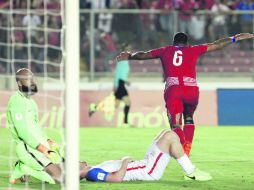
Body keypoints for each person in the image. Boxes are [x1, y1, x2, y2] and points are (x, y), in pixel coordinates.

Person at [116, 32, 254, 157]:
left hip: (174, 90)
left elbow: (142, 55)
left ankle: (182, 156)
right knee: (189, 118)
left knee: (176, 126)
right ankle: (186, 152)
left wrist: (129, 56)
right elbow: (216, 45)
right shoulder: (193, 49)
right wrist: (235, 38)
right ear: (187, 43)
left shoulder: (165, 50)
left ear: (173, 43)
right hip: (191, 90)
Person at [6, 68, 87, 184]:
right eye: (28, 79)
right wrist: (44, 149)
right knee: (64, 179)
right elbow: (23, 132)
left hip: (42, 146)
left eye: (32, 79)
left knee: (80, 168)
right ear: (19, 83)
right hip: (28, 148)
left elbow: (37, 128)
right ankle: (24, 168)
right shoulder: (16, 101)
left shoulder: (31, 102)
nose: (32, 82)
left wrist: (49, 142)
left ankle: (29, 166)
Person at [80, 129, 212, 182]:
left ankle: (189, 170)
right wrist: (125, 161)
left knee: (166, 134)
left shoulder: (94, 169)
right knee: (169, 137)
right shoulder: (91, 173)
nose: (79, 160)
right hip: (149, 171)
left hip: (145, 165)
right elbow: (117, 178)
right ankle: (190, 171)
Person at [89, 43, 132, 127]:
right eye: (128, 49)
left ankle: (94, 107)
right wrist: (116, 85)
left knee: (115, 105)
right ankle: (126, 123)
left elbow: (121, 74)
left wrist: (126, 81)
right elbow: (118, 74)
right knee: (127, 102)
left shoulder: (124, 60)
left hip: (121, 83)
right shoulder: (123, 60)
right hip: (120, 84)